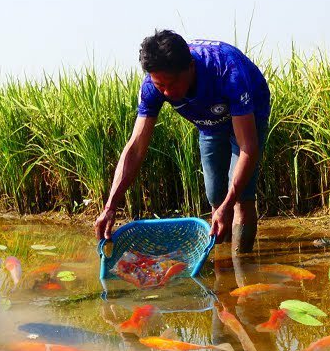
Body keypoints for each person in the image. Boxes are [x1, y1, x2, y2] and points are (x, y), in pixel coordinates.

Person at [94, 30, 271, 254]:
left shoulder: (227, 70)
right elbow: (135, 148)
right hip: (208, 122)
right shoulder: (152, 85)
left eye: (172, 83)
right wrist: (110, 206)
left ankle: (241, 263)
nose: (167, 91)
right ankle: (223, 259)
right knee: (216, 195)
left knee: (240, 199)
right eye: (161, 86)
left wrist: (230, 203)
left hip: (249, 111)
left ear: (190, 67)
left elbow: (248, 147)